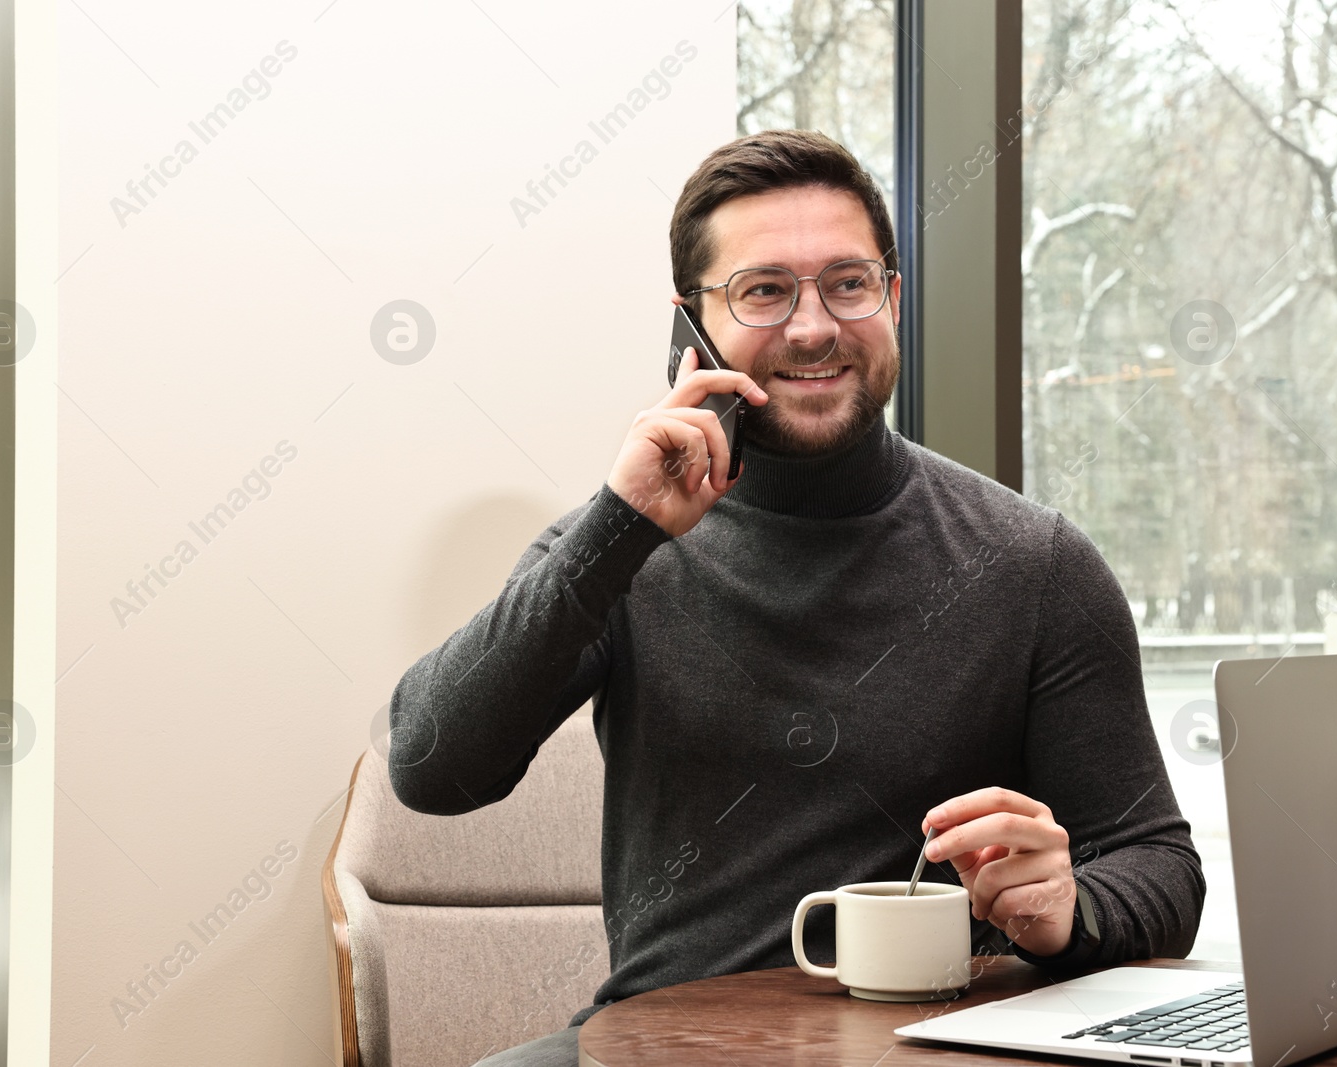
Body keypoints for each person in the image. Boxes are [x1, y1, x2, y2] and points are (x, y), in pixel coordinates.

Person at [386, 129, 1204, 1067]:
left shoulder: (1035, 562)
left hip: (944, 1053)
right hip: (666, 1050)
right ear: (689, 327)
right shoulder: (621, 549)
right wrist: (619, 526)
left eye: (847, 283)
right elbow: (431, 766)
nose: (813, 326)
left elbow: (1161, 869)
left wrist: (1071, 911)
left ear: (892, 300)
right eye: (764, 290)